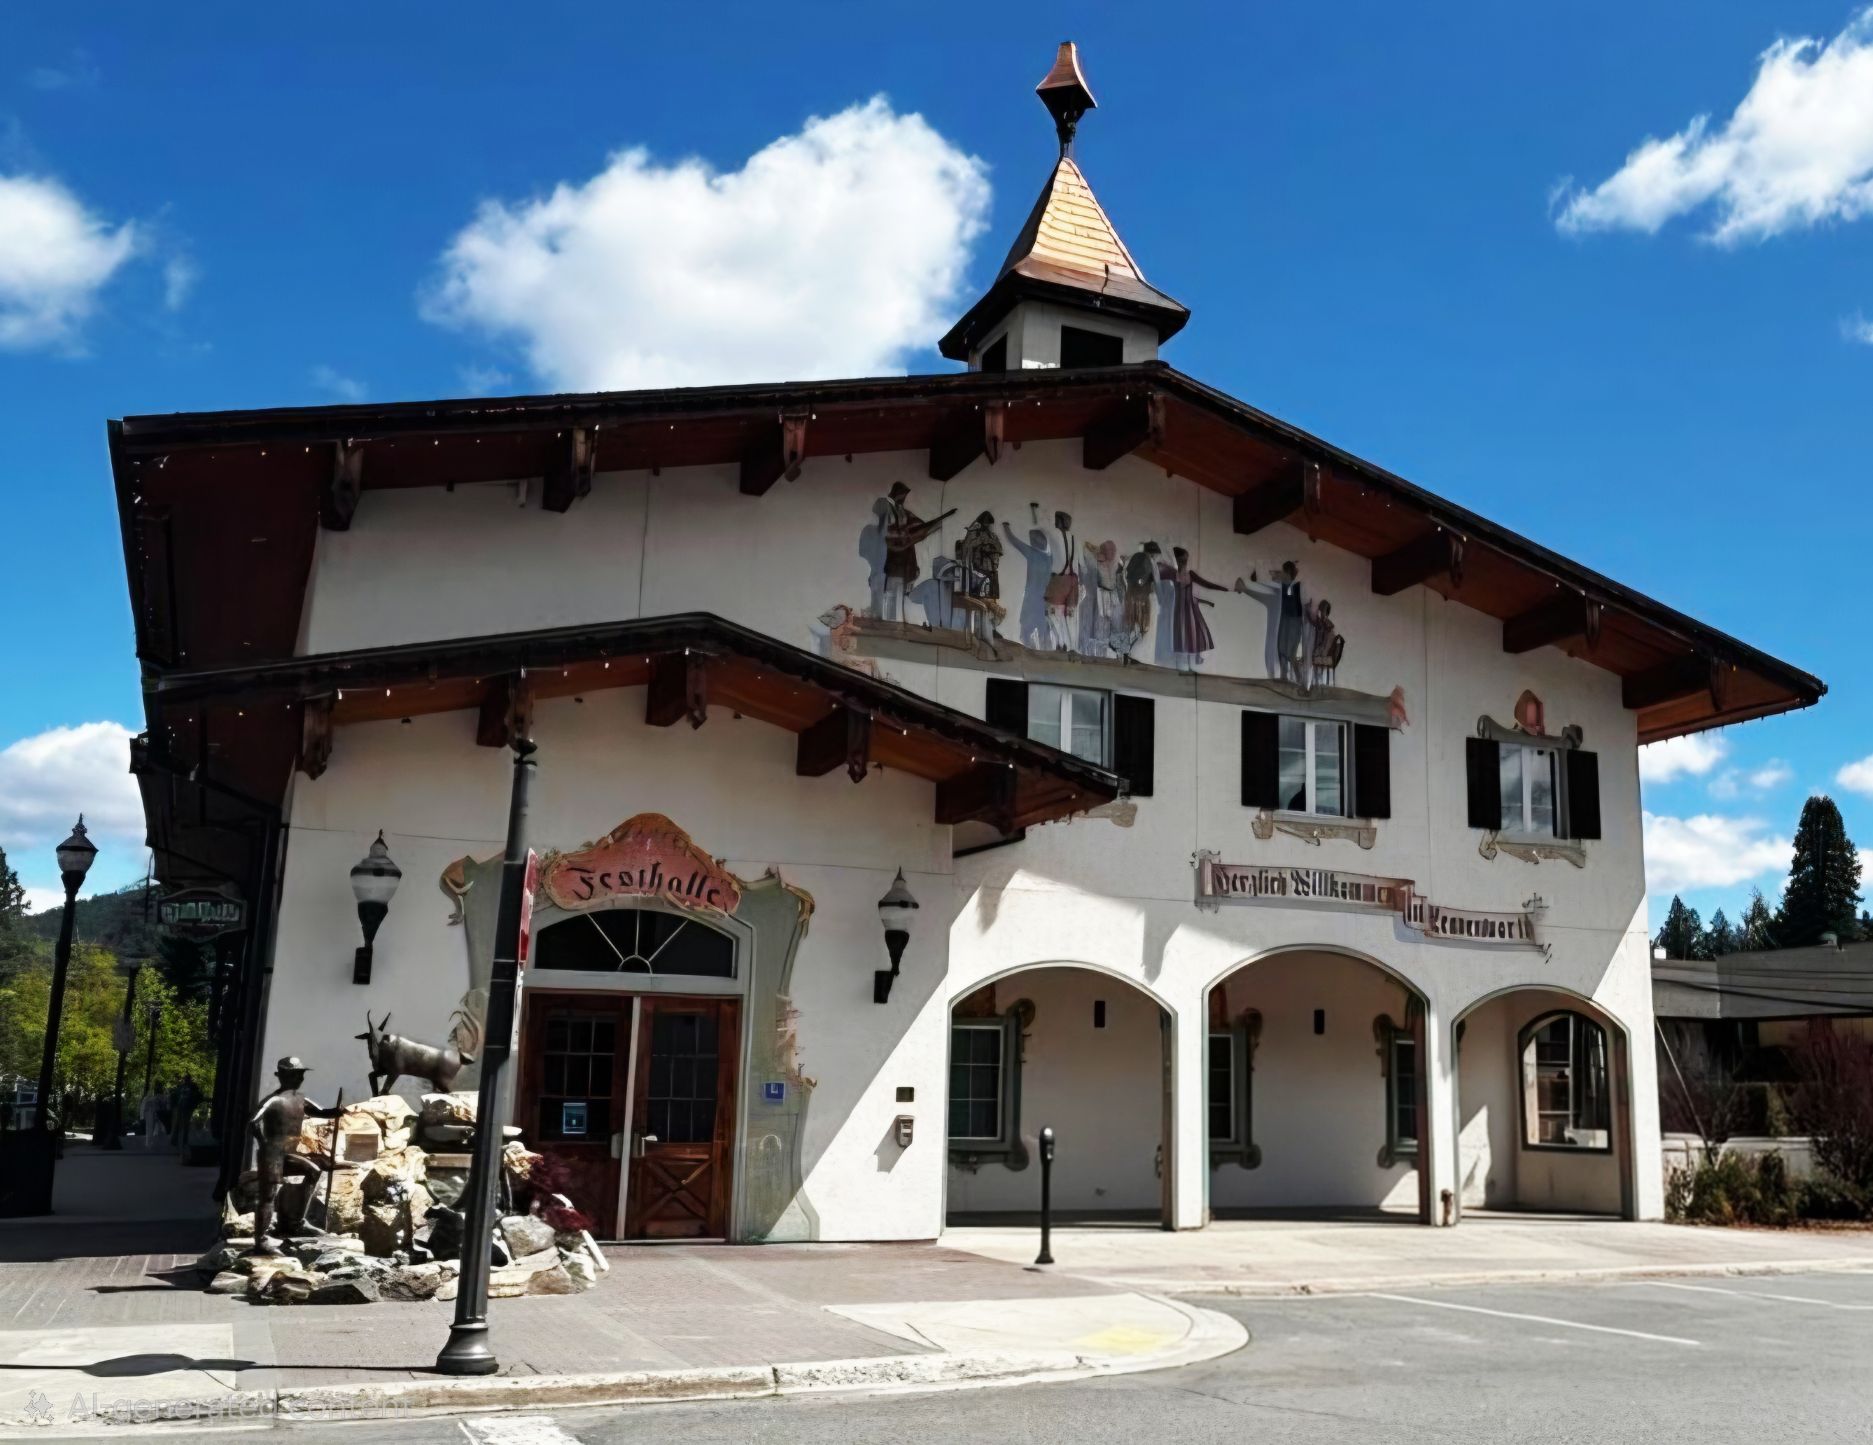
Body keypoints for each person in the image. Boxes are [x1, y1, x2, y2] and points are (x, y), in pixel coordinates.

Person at [247, 1056, 340, 1251]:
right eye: (295, 1075)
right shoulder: (273, 1099)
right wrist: (264, 1144)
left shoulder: (301, 1099)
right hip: (272, 1155)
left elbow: (321, 1112)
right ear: (282, 1076)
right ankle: (261, 1239)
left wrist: (338, 1112)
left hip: (288, 1154)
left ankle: (294, 1223)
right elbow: (253, 1122)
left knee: (313, 1170)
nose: (300, 1079)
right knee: (268, 1196)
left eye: (301, 1075)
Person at [1157, 546, 1229, 670]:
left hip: (1191, 608)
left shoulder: (1190, 574)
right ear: (1177, 559)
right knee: (1182, 638)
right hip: (1178, 611)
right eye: (1181, 559)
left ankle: (1189, 666)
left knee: (1195, 636)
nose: (1184, 562)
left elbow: (1207, 584)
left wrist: (1225, 589)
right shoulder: (1172, 574)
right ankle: (1182, 667)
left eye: (1186, 559)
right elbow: (1157, 573)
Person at [1236, 562, 1307, 684]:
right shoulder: (1283, 585)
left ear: (1288, 572)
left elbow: (1279, 585)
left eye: (1284, 572)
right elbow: (1272, 585)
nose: (1281, 574)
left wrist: (1273, 577)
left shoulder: (1294, 585)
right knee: (1281, 649)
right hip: (1285, 618)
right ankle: (1284, 676)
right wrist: (1257, 583)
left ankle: (1300, 679)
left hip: (1294, 620)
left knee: (1291, 654)